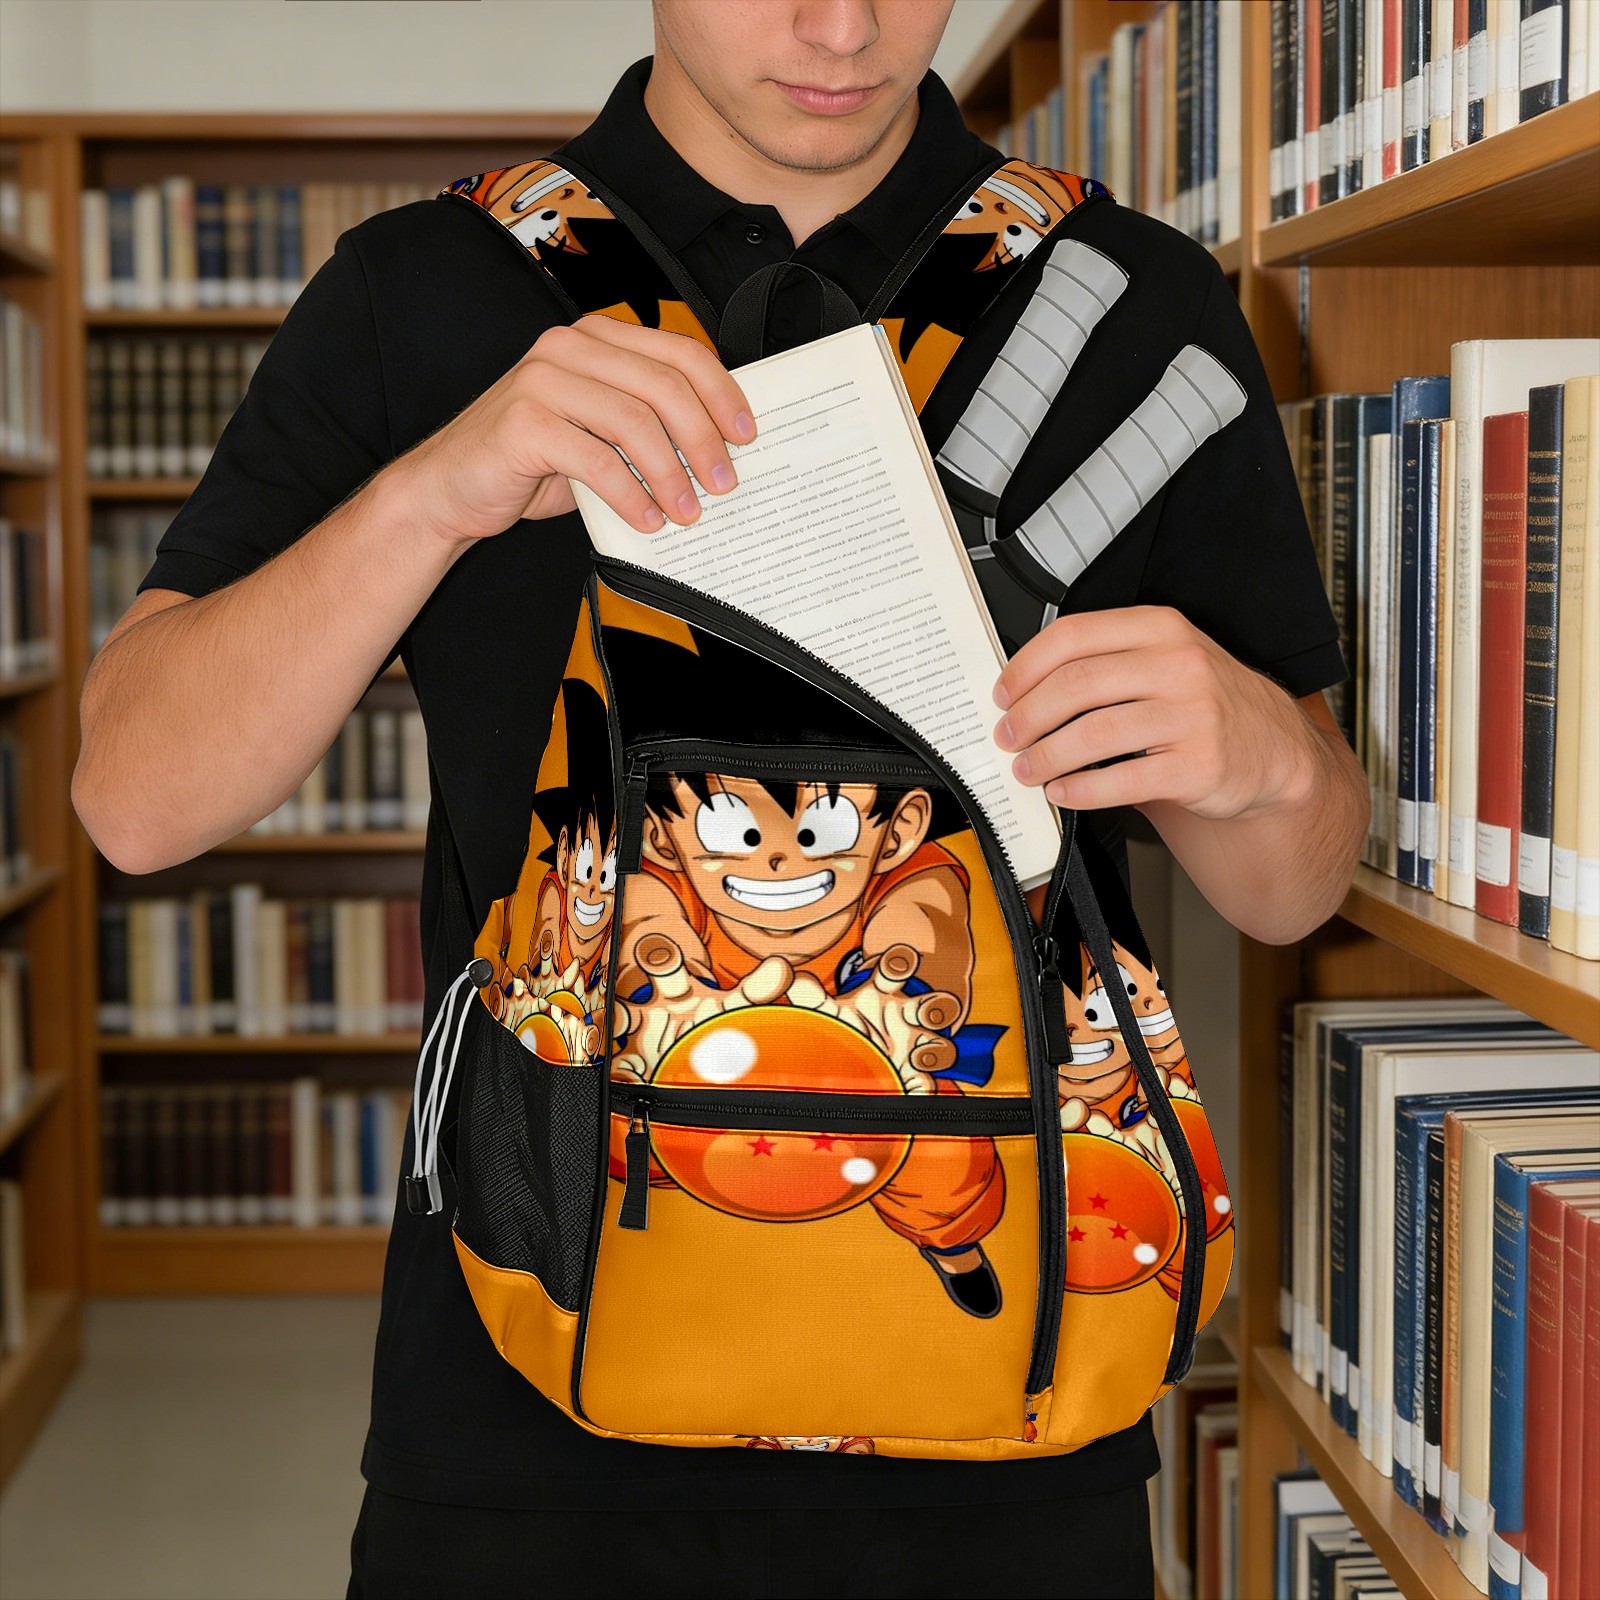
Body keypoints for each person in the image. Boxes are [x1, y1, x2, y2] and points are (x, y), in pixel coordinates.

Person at [71, 2, 1369, 1595]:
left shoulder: (1132, 304)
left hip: (1016, 1412)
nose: (843, 26)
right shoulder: (423, 291)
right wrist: (428, 497)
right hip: (525, 1420)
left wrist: (1265, 754)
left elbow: (1292, 891)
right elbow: (134, 799)